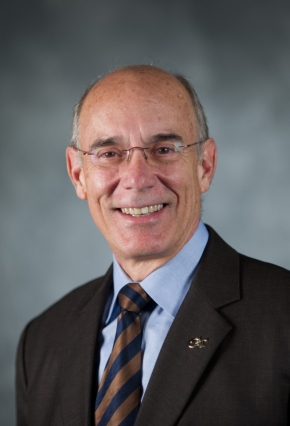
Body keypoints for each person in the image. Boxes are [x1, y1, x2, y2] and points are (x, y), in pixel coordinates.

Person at [16, 65, 290, 426]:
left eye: (163, 148)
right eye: (110, 153)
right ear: (79, 174)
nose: (136, 178)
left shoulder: (282, 318)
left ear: (204, 165)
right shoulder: (41, 342)